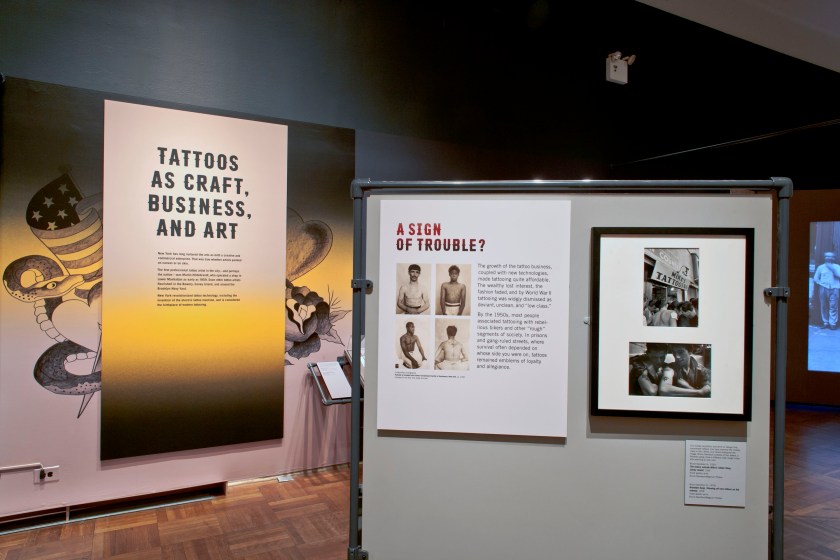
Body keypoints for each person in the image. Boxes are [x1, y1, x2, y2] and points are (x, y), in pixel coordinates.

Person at [814, 251, 840, 329]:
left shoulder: (837, 266)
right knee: (823, 305)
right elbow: (816, 278)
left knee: (833, 306)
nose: (828, 258)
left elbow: (838, 275)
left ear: (833, 258)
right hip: (823, 288)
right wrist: (821, 283)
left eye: (830, 256)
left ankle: (833, 324)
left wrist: (832, 268)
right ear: (825, 258)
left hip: (835, 288)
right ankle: (825, 322)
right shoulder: (821, 267)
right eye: (827, 256)